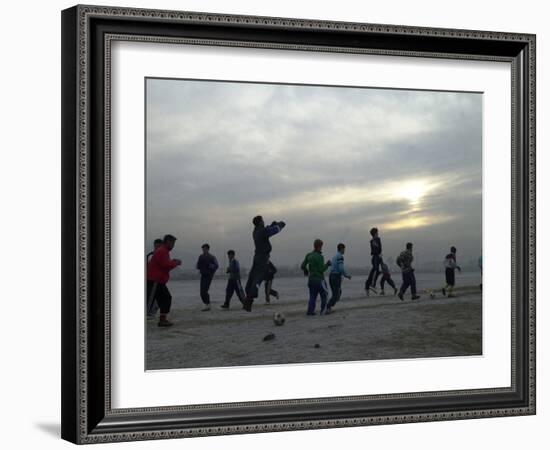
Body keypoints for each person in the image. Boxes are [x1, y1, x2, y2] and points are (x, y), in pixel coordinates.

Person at [243, 216, 286, 312]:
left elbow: (266, 231)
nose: (263, 221)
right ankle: (249, 299)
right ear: (260, 222)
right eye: (262, 220)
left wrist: (271, 224)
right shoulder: (262, 232)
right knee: (258, 278)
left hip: (257, 258)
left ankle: (249, 296)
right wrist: (280, 225)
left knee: (253, 276)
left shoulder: (255, 232)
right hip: (263, 258)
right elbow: (273, 231)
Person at [146, 234, 182, 327]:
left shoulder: (163, 251)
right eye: (173, 243)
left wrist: (173, 262)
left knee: (165, 298)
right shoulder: (162, 251)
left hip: (159, 281)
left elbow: (164, 264)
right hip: (154, 280)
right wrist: (176, 263)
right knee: (149, 301)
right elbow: (165, 265)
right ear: (168, 242)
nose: (173, 246)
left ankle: (163, 319)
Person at [301, 239, 331, 316]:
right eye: (321, 246)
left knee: (312, 296)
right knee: (325, 295)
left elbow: (302, 266)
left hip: (311, 280)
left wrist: (306, 270)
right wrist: (327, 264)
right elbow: (321, 269)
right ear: (319, 246)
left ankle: (310, 312)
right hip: (319, 280)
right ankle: (323, 311)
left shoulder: (309, 255)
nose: (322, 248)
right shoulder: (320, 257)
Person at [326, 243, 352, 314]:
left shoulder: (334, 256)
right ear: (342, 249)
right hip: (335, 277)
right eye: (344, 249)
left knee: (337, 293)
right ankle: (328, 307)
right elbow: (341, 268)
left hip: (332, 276)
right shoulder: (340, 256)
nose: (344, 251)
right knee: (336, 294)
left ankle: (329, 306)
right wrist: (347, 275)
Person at [196, 243, 219, 311]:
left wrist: (209, 265)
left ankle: (208, 305)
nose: (204, 250)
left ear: (208, 249)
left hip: (209, 276)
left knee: (204, 290)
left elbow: (216, 266)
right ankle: (207, 304)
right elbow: (198, 265)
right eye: (203, 249)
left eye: (205, 249)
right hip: (203, 275)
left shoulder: (212, 257)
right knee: (201, 292)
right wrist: (199, 266)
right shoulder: (201, 256)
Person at [146, 238, 164, 319]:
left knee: (160, 297)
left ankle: (152, 312)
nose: (158, 248)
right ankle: (149, 313)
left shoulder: (162, 255)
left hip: (159, 280)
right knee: (151, 296)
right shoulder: (151, 255)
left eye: (160, 246)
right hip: (152, 280)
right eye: (157, 246)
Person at [365, 227, 382, 296]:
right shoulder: (376, 240)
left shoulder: (373, 240)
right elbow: (378, 249)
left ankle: (367, 287)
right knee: (376, 270)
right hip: (376, 257)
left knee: (373, 272)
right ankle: (373, 285)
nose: (378, 233)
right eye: (377, 232)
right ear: (375, 233)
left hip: (376, 257)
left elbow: (377, 249)